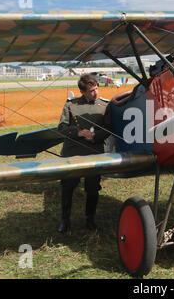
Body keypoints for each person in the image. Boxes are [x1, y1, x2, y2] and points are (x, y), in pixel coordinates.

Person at [57, 74, 112, 233]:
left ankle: (90, 219)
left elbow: (108, 128)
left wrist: (96, 136)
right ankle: (65, 221)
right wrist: (79, 132)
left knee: (93, 187)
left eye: (96, 89)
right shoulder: (70, 105)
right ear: (82, 92)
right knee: (67, 187)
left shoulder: (104, 105)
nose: (95, 93)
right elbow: (61, 128)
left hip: (94, 152)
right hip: (72, 153)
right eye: (91, 91)